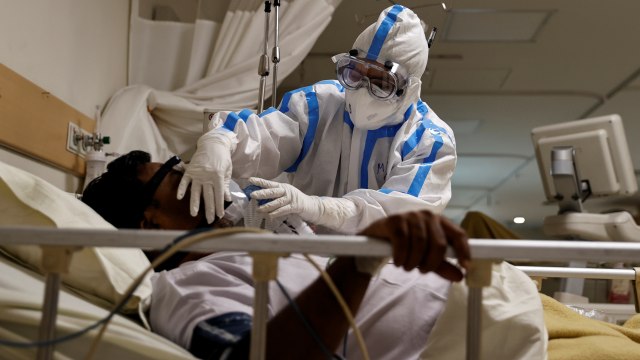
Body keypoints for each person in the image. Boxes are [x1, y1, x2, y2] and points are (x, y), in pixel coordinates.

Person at [82, 150, 471, 359]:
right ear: (152, 226)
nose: (193, 173)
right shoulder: (183, 288)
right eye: (176, 174)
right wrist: (359, 261)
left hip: (479, 306)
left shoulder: (247, 251)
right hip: (468, 335)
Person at [179, 4, 457, 234]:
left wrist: (319, 208)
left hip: (376, 279)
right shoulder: (318, 105)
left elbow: (400, 217)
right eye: (355, 73)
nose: (361, 90)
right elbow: (264, 139)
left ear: (409, 88)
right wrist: (221, 140)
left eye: (380, 83)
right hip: (298, 261)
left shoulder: (429, 141)